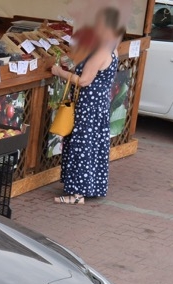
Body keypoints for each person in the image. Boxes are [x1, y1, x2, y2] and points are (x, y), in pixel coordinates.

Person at [51, 8, 124, 204]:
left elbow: (84, 81)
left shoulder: (100, 51)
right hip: (99, 104)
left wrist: (59, 72)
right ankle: (90, 186)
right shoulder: (111, 48)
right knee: (93, 145)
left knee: (82, 145)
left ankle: (76, 195)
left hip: (89, 104)